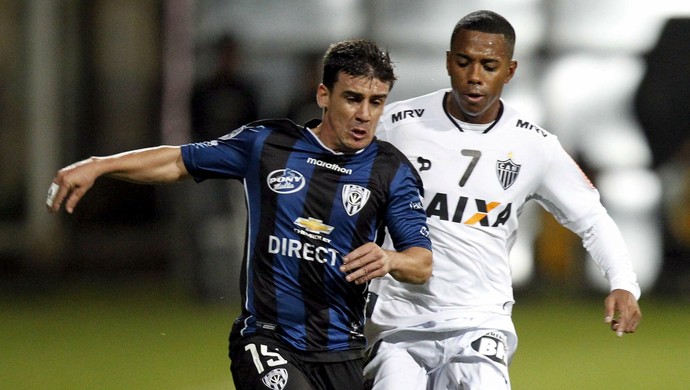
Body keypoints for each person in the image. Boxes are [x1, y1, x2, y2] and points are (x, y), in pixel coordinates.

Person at [46, 39, 432, 390]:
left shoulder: (391, 171)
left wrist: (389, 258)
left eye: (376, 101)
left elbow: (421, 263)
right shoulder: (268, 145)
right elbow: (177, 161)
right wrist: (99, 165)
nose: (364, 114)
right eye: (352, 98)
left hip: (342, 350)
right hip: (267, 338)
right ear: (323, 95)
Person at [363, 10, 642, 390]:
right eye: (464, 62)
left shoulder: (534, 146)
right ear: (448, 62)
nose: (475, 76)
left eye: (489, 65)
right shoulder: (397, 126)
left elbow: (592, 219)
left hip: (481, 320)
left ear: (509, 71)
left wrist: (623, 282)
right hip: (398, 318)